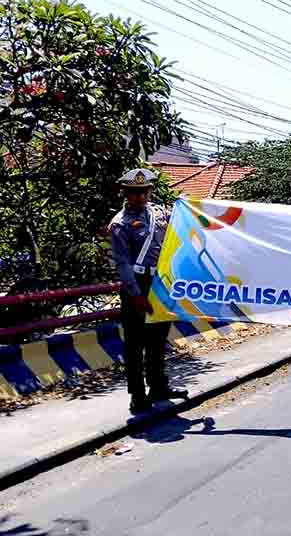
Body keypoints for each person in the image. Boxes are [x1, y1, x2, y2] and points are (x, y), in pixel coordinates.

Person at [109, 168, 188, 414]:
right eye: (134, 192)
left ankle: (158, 386)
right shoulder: (120, 224)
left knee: (158, 338)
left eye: (144, 191)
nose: (140, 197)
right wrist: (135, 294)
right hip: (138, 285)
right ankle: (137, 395)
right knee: (135, 343)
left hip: (160, 283)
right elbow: (122, 263)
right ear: (125, 192)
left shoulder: (159, 213)